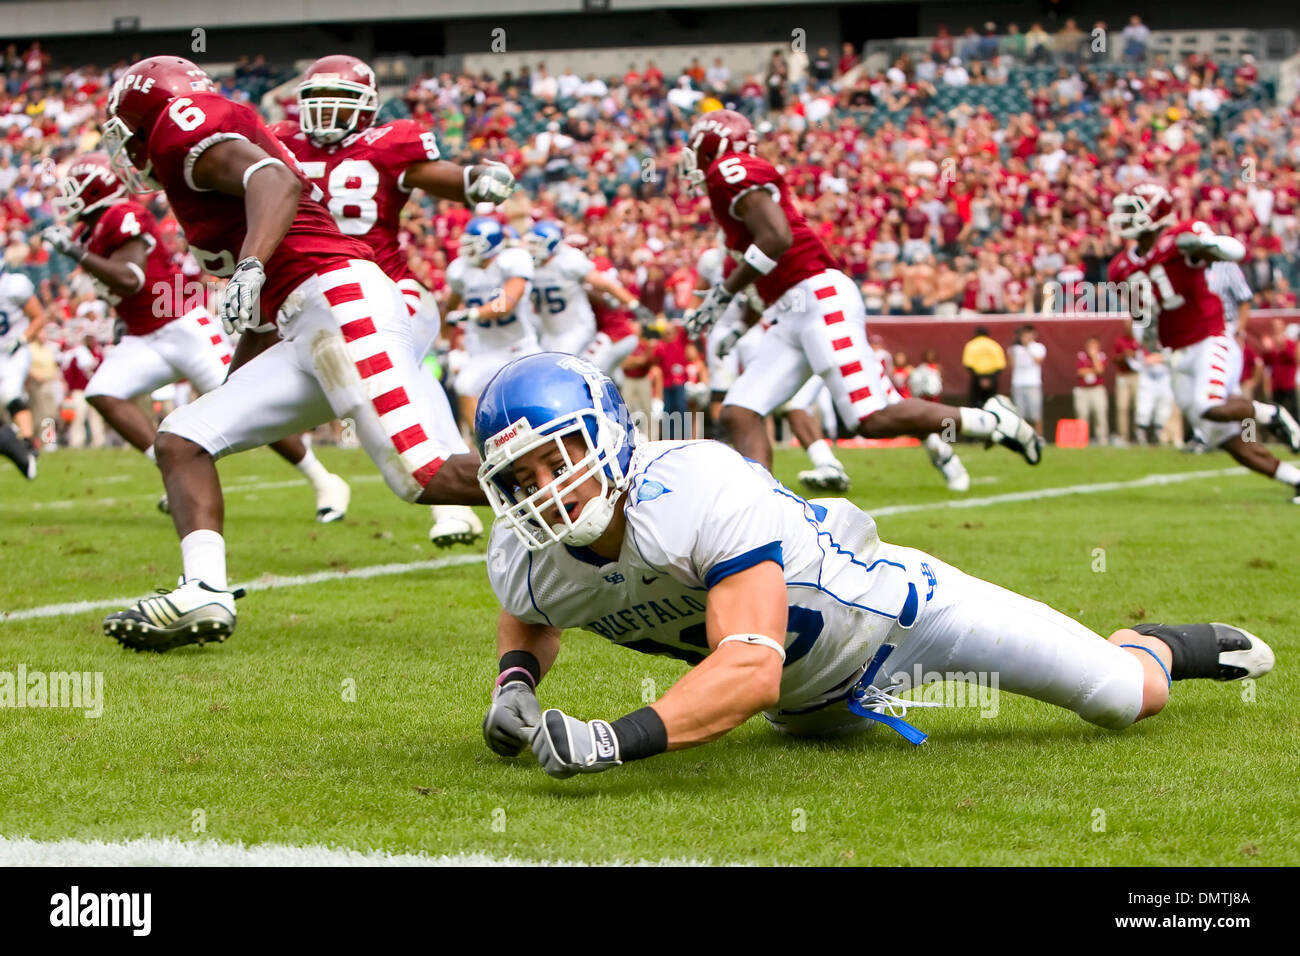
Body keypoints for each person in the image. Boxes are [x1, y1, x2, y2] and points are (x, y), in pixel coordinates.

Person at [472, 354, 1274, 779]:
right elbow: (535, 606)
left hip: (909, 619)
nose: (547, 490)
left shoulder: (692, 486)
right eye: (521, 477)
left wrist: (616, 740)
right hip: (806, 708)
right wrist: (517, 682)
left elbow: (749, 666)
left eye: (560, 456)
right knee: (815, 729)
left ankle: (1158, 644)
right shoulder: (523, 552)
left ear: (608, 435)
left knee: (1129, 698)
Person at [97, 55, 508, 651]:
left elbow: (275, 179)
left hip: (339, 299)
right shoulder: (200, 155)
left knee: (427, 477)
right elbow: (265, 317)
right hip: (304, 320)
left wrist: (252, 264)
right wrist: (234, 390)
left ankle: (606, 482)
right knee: (183, 438)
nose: (127, 148)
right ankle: (203, 590)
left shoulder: (178, 124)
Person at [679, 111, 1041, 480]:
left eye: (696, 148)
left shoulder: (728, 170)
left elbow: (777, 238)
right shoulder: (731, 213)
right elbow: (759, 286)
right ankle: (763, 511)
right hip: (791, 311)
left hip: (817, 297)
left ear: (714, 147)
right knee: (740, 411)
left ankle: (989, 419)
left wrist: (723, 293)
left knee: (870, 418)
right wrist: (736, 329)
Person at [43, 152, 351, 520]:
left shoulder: (121, 215)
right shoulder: (89, 230)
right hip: (144, 335)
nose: (68, 197)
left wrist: (74, 251)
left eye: (76, 188)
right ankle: (171, 473)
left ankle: (324, 480)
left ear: (97, 189)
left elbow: (131, 278)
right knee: (102, 392)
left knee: (245, 402)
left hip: (182, 326)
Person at [276, 54, 500, 544]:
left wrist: (473, 181)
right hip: (312, 298)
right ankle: (458, 492)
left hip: (391, 291)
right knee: (411, 379)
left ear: (368, 108)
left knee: (396, 379)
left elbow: (445, 179)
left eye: (341, 103)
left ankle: (454, 501)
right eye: (318, 101)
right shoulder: (280, 144)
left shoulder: (389, 143)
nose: (327, 113)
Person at [1108, 182, 1300, 502]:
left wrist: (1204, 246)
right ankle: (1295, 478)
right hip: (1175, 354)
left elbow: (1234, 252)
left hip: (1210, 339)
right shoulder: (1119, 268)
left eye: (1133, 210)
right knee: (1225, 439)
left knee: (1209, 404)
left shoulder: (1180, 237)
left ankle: (1273, 415)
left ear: (1156, 214)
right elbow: (1141, 315)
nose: (1125, 217)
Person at [0, 260, 48, 478]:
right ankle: (12, 440)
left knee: (10, 393)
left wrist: (22, 338)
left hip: (14, 350)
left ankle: (28, 443)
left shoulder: (14, 286)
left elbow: (39, 316)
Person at [1009, 324, 1046, 437]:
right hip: (1018, 384)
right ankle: (1021, 438)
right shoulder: (1015, 349)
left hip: (1033, 384)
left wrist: (1028, 347)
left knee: (1036, 414)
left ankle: (1039, 437)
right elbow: (1011, 364)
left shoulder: (1039, 347)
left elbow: (1038, 361)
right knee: (1019, 414)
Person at [1074, 336, 1109, 444]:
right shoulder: (1081, 356)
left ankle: (1102, 439)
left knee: (1100, 414)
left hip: (1097, 389)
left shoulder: (1101, 356)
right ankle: (1082, 439)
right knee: (1082, 414)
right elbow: (1080, 372)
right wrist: (1093, 370)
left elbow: (1100, 370)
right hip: (1083, 390)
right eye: (1090, 346)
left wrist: (1094, 357)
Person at [961, 326, 1005, 406]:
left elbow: (968, 364)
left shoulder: (971, 345)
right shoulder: (994, 345)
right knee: (992, 404)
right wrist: (990, 379)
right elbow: (1000, 365)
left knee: (975, 404)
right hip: (992, 379)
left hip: (977, 379)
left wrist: (980, 379)